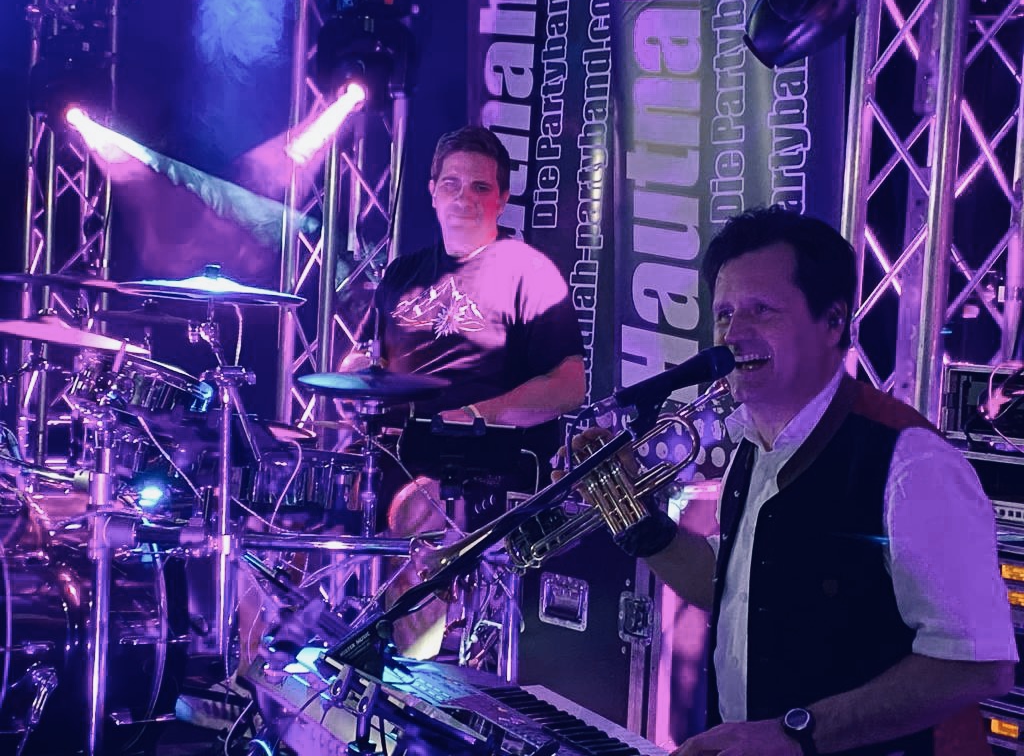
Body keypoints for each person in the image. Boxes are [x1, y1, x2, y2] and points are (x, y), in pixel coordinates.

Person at [572, 206, 1015, 755]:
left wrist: (793, 734)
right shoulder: (752, 448)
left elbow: (978, 666)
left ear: (833, 322)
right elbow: (732, 588)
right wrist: (635, 520)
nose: (734, 335)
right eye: (724, 314)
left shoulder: (911, 462)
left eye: (762, 310)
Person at [344, 125, 586, 657]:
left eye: (480, 187)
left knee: (415, 510)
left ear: (502, 198)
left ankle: (413, 679)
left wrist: (480, 413)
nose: (464, 198)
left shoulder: (529, 274)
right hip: (395, 451)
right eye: (451, 184)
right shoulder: (404, 273)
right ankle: (264, 673)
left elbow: (570, 386)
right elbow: (369, 361)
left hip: (480, 463)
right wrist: (356, 375)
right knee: (287, 501)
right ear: (432, 191)